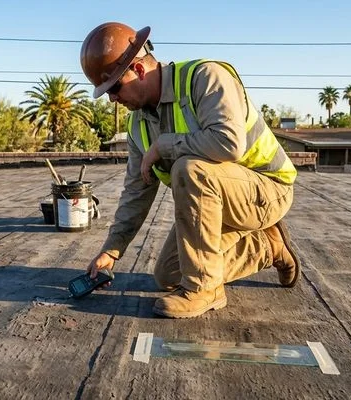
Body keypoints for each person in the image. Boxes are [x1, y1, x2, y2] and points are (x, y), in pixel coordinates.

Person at [80, 22, 301, 319]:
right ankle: (269, 245)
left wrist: (164, 146)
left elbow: (229, 143)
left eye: (115, 87)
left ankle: (205, 290)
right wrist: (112, 249)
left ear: (139, 69)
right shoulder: (139, 124)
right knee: (168, 275)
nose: (112, 99)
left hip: (268, 190)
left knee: (190, 167)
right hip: (219, 202)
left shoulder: (205, 78)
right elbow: (136, 191)